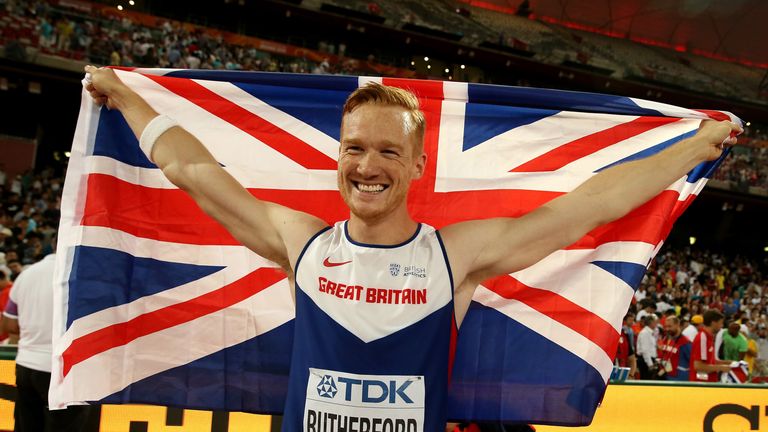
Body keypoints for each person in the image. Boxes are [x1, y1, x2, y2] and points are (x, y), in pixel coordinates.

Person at [83, 65, 741, 431]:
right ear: (338, 156)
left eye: (389, 151)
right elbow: (193, 173)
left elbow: (587, 208)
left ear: (418, 166)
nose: (368, 166)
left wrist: (692, 145)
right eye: (355, 148)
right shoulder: (301, 241)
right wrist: (127, 96)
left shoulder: (455, 255)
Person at [1, 244, 93, 431]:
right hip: (65, 370)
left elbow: (9, 325)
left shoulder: (26, 274)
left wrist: (37, 327)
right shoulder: (85, 274)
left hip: (27, 366)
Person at [690, 310, 733, 382]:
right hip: (701, 384)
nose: (722, 326)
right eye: (720, 323)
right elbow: (698, 366)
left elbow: (710, 362)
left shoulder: (708, 337)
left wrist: (729, 363)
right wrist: (721, 367)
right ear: (713, 323)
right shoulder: (702, 337)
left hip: (707, 382)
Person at [657, 316, 691, 381]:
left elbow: (693, 362)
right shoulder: (666, 339)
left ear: (677, 325)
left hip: (680, 381)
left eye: (670, 326)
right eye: (666, 326)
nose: (667, 329)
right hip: (666, 377)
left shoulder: (685, 343)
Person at [636, 314, 659, 379]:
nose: (656, 323)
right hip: (645, 361)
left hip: (649, 360)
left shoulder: (650, 332)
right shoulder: (645, 333)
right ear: (651, 322)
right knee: (646, 381)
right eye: (655, 321)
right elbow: (645, 350)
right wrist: (650, 364)